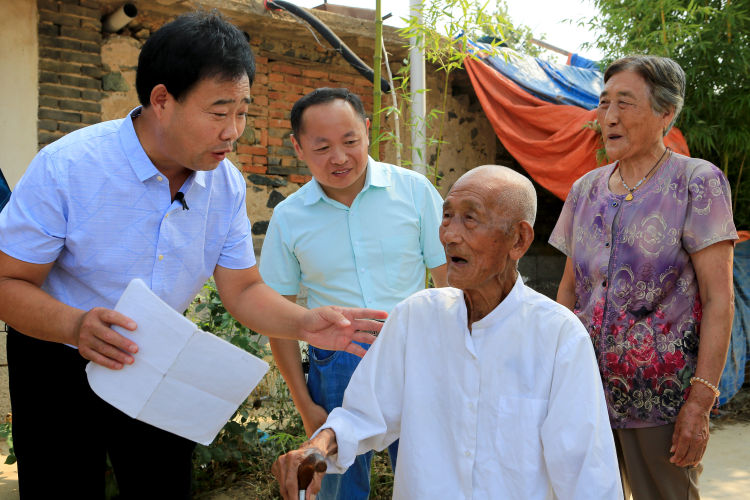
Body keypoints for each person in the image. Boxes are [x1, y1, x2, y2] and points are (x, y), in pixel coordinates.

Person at [0, 12, 385, 499]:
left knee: (163, 485)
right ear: (162, 100)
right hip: (57, 355)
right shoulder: (70, 166)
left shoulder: (223, 184)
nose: (234, 131)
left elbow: (242, 288)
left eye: (242, 112)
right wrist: (75, 327)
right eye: (219, 112)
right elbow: (7, 283)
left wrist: (304, 322)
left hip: (158, 358)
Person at [272, 165, 623, 500]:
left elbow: (587, 474)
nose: (450, 235)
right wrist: (318, 447)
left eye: (470, 218)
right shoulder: (416, 317)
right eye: (447, 216)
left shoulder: (559, 337)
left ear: (518, 239)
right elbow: (363, 415)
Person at [549, 55, 737, 499]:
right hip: (586, 396)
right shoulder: (585, 190)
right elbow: (570, 290)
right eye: (603, 103)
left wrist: (700, 402)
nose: (609, 117)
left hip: (661, 404)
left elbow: (719, 300)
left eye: (626, 103)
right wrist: (552, 377)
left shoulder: (696, 182)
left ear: (665, 114)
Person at [260, 87, 447, 500]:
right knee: (338, 486)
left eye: (349, 141)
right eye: (322, 146)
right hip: (336, 365)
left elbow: (451, 280)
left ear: (366, 131)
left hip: (416, 354)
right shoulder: (290, 217)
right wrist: (306, 404)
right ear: (298, 147)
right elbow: (278, 317)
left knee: (428, 478)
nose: (339, 157)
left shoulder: (414, 192)